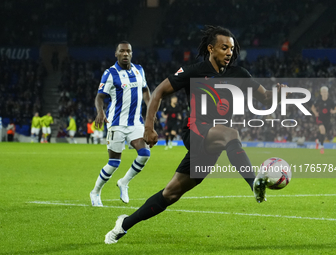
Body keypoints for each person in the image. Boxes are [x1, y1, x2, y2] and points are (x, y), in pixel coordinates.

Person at [104, 25, 287, 244]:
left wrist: (276, 93)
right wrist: (148, 127)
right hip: (195, 131)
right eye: (224, 47)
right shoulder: (193, 71)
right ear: (211, 48)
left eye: (231, 48)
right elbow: (159, 91)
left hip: (213, 146)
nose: (229, 52)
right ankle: (253, 183)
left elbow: (265, 98)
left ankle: (123, 225)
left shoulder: (240, 75)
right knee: (230, 133)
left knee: (170, 194)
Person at [90, 41, 151, 206]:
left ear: (132, 53)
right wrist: (100, 111)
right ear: (116, 54)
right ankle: (95, 192)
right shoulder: (110, 73)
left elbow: (145, 91)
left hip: (135, 123)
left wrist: (150, 111)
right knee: (114, 163)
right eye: (122, 51)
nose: (125, 54)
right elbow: (99, 96)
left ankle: (124, 182)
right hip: (116, 123)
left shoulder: (139, 70)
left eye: (128, 51)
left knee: (145, 153)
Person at [311, 86, 336, 154]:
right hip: (320, 118)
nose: (324, 93)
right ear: (321, 93)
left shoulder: (331, 101)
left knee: (324, 133)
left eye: (325, 92)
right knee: (322, 130)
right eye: (323, 92)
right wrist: (315, 113)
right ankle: (322, 147)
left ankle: (317, 141)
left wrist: (333, 111)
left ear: (327, 93)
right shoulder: (318, 101)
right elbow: (312, 107)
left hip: (327, 120)